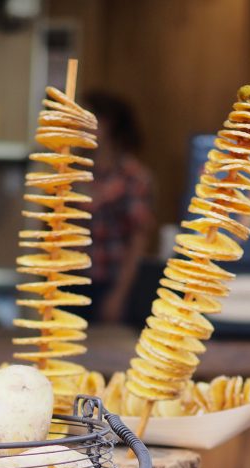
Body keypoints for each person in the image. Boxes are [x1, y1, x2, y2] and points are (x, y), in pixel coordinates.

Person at [80, 92, 154, 325]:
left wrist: (119, 295)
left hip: (110, 280)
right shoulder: (73, 170)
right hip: (70, 277)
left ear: (106, 124)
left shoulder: (134, 178)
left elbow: (138, 240)